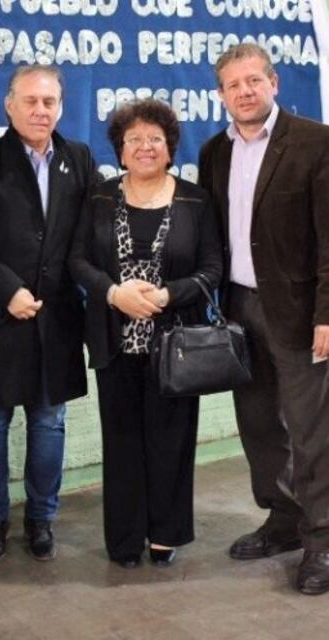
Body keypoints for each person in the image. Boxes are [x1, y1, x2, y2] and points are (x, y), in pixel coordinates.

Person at [0, 65, 96, 563]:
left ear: (61, 106)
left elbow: (87, 235)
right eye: (30, 101)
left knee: (49, 422)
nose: (40, 110)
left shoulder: (78, 158)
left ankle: (41, 520)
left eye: (49, 102)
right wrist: (8, 288)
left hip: (56, 319)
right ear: (9, 105)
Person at [68, 98, 222, 568]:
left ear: (170, 147)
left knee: (171, 442)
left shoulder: (196, 199)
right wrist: (114, 294)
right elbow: (79, 261)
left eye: (155, 138)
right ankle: (124, 539)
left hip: (174, 343)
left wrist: (167, 296)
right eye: (134, 139)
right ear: (120, 148)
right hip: (115, 340)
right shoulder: (99, 196)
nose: (145, 146)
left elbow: (213, 268)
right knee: (122, 442)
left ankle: (165, 534)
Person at [198, 43, 329, 594]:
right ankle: (282, 519)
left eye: (254, 80)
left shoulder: (316, 143)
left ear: (273, 83)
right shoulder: (214, 152)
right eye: (233, 84)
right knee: (258, 425)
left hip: (300, 312)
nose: (245, 92)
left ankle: (322, 540)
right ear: (221, 94)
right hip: (240, 308)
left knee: (311, 430)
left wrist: (328, 314)